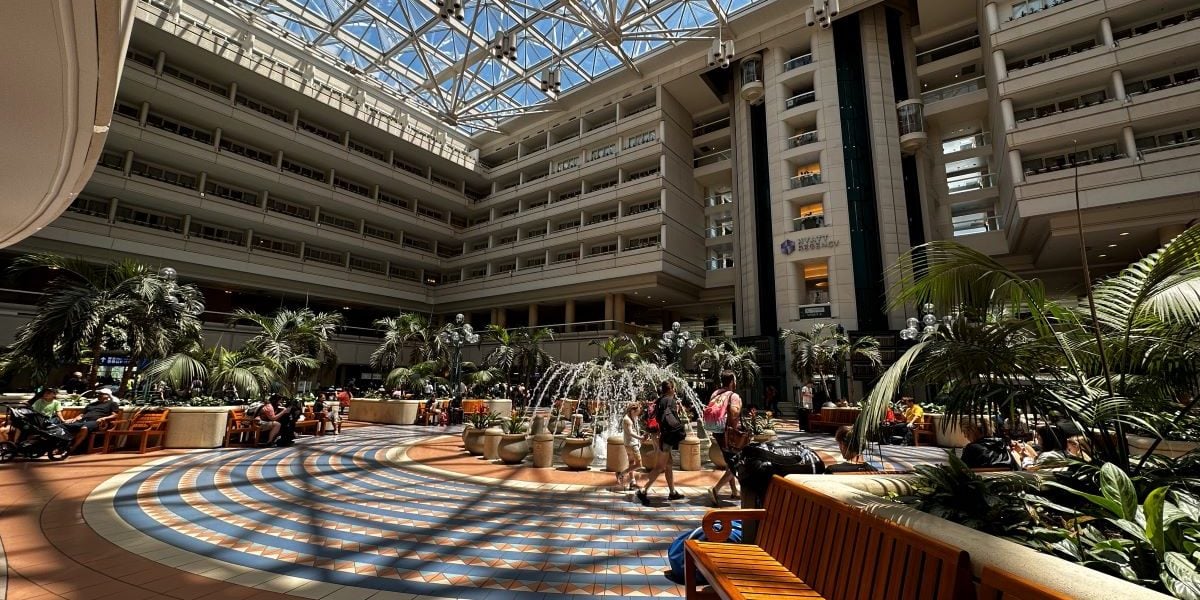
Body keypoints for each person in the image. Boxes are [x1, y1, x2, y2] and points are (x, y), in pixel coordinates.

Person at [637, 380, 686, 505]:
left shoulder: (659, 401)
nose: (674, 391)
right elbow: (671, 420)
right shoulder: (670, 401)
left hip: (660, 436)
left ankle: (672, 492)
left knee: (669, 463)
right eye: (674, 388)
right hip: (667, 437)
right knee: (660, 466)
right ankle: (643, 491)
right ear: (670, 389)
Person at [706, 370, 744, 505]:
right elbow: (734, 414)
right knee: (737, 462)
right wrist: (739, 408)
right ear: (732, 381)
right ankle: (715, 489)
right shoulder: (733, 396)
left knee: (729, 461)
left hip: (718, 432)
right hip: (731, 433)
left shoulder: (715, 394)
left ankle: (734, 491)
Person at [616, 402, 644, 490]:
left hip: (629, 444)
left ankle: (632, 482)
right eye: (637, 412)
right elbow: (630, 433)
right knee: (639, 464)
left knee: (631, 463)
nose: (638, 414)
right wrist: (640, 438)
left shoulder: (630, 418)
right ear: (632, 410)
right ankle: (621, 474)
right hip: (632, 445)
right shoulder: (627, 419)